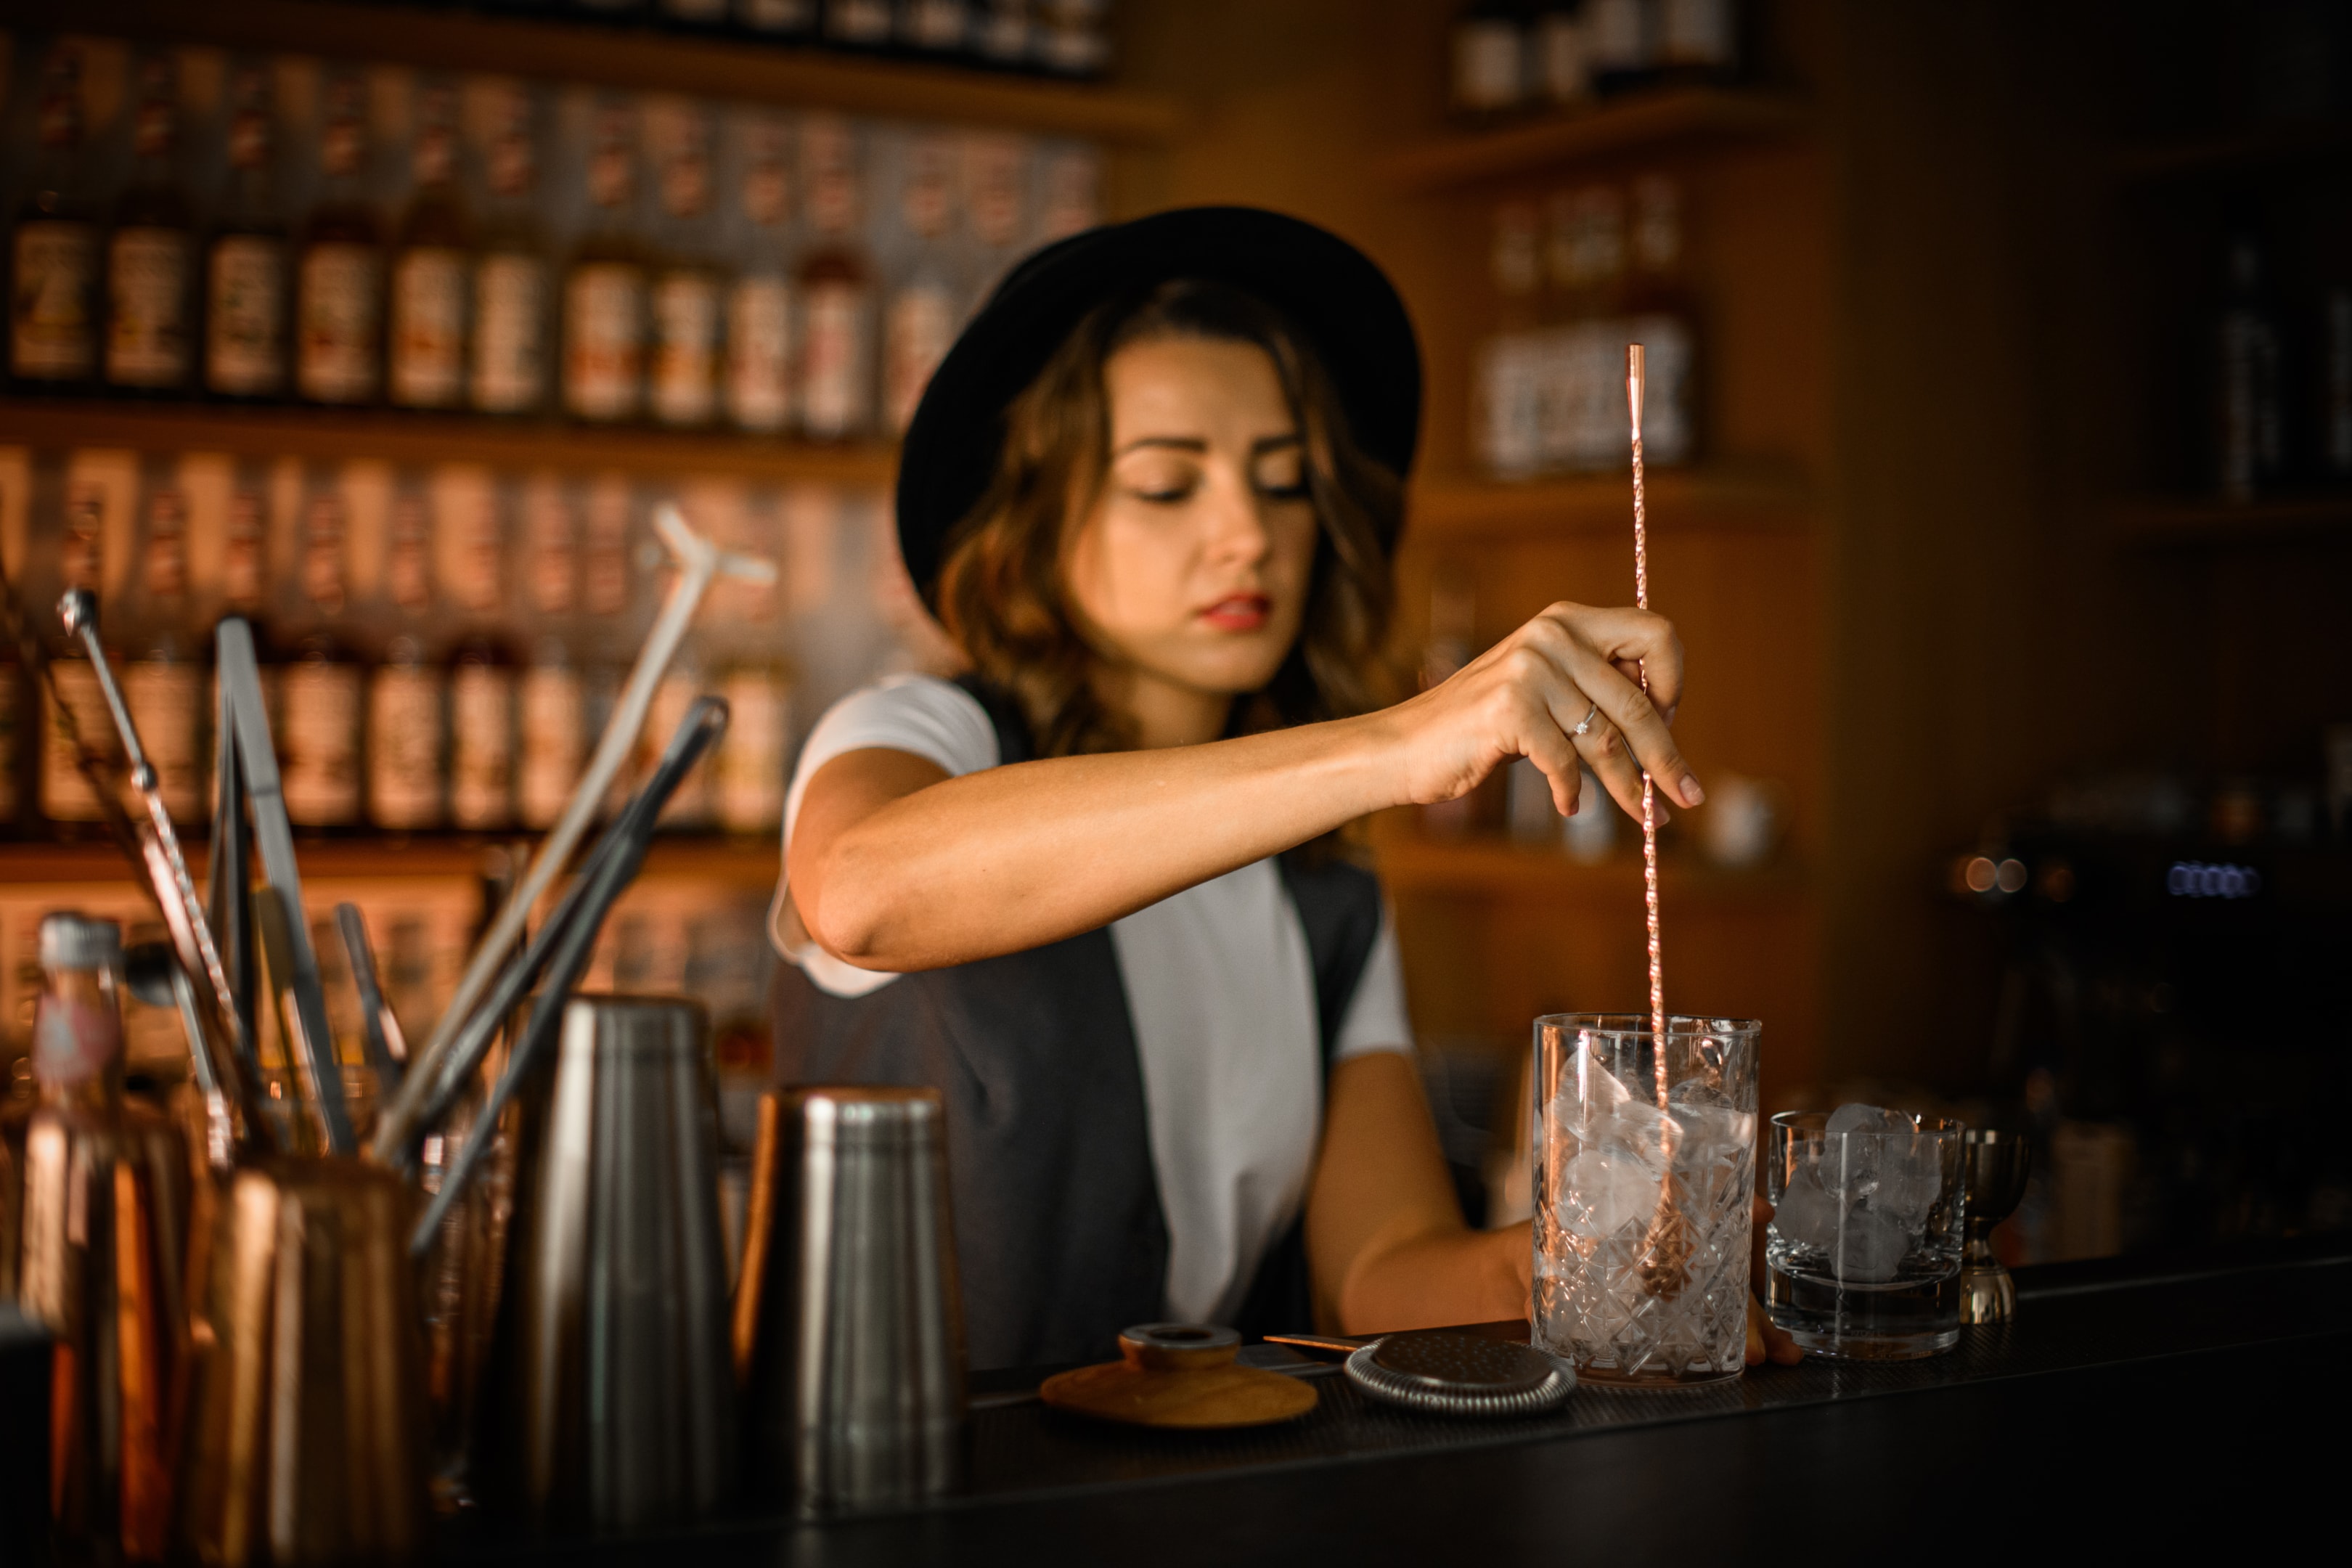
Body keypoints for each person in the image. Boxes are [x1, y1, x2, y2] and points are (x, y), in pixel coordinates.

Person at [769, 206, 1799, 1372]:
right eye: (1167, 486)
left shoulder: (1320, 886)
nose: (1247, 537)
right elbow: (862, 893)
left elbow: (1381, 1269)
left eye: (1284, 483)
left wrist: (1570, 1264)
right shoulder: (923, 733)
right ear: (1041, 519)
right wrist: (1396, 744)